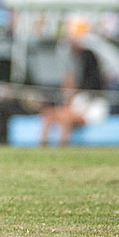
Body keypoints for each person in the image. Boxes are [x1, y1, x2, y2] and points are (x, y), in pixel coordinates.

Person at [39, 16, 109, 146]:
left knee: (66, 118)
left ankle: (62, 148)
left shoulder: (93, 53)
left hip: (94, 104)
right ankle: (43, 148)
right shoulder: (72, 55)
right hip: (81, 101)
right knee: (48, 114)